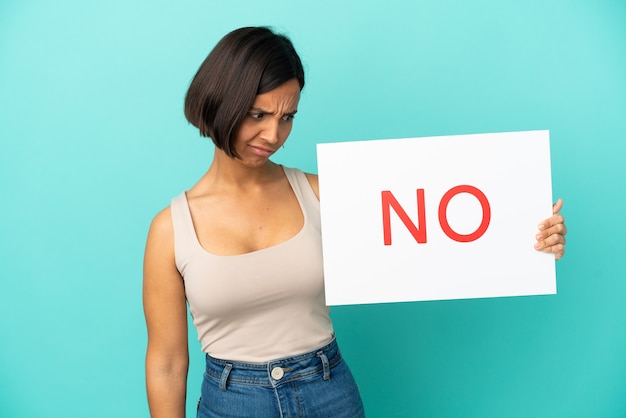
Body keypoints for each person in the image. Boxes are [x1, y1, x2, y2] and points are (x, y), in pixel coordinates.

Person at [142, 26, 568, 418]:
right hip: (231, 402)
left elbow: (440, 232)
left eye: (287, 117)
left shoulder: (328, 194)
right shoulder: (171, 229)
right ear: (221, 102)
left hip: (329, 393)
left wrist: (529, 237)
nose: (273, 135)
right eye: (258, 115)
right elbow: (166, 362)